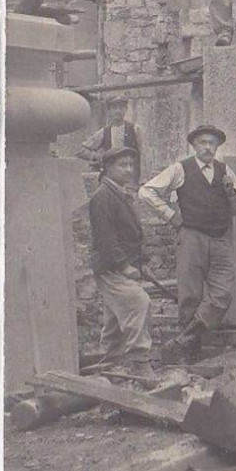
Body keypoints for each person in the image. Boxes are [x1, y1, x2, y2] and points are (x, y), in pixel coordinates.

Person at [139, 124, 236, 356]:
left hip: (220, 239)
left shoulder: (225, 171)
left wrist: (231, 193)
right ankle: (189, 353)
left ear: (218, 146)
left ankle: (182, 340)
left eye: (212, 143)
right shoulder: (180, 169)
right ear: (194, 145)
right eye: (202, 143)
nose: (207, 147)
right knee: (190, 295)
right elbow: (146, 191)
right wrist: (171, 216)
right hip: (192, 237)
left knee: (222, 295)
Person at [88, 146, 153, 376]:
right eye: (122, 165)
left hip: (123, 264)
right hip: (111, 267)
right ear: (107, 168)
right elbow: (106, 238)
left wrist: (138, 262)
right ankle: (140, 362)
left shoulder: (120, 193)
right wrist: (123, 265)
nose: (128, 169)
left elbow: (129, 232)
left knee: (115, 314)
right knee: (138, 302)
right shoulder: (103, 196)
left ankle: (109, 360)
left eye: (130, 165)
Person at [76, 95, 143, 181]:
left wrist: (143, 178)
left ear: (126, 109)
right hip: (111, 177)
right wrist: (97, 156)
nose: (118, 111)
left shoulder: (135, 129)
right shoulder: (104, 132)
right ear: (109, 111)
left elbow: (143, 155)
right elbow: (81, 151)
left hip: (130, 177)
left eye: (121, 107)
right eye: (114, 108)